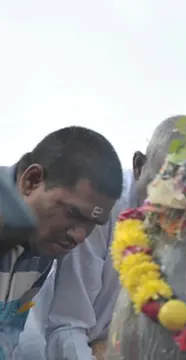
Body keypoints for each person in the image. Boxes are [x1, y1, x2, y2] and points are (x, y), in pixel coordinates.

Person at [15, 117, 183, 360]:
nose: (172, 200)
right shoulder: (98, 205)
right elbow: (67, 327)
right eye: (167, 180)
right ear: (139, 166)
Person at [0, 126, 123, 359]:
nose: (80, 236)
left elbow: (6, 331)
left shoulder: (42, 244)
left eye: (93, 223)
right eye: (73, 213)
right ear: (32, 181)